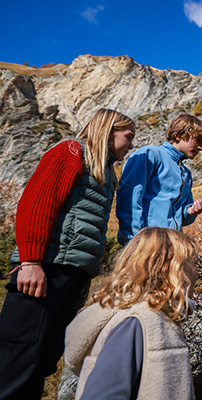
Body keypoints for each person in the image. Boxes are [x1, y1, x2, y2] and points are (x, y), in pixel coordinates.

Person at [0, 108, 135, 400]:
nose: (131, 145)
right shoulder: (71, 151)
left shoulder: (104, 170)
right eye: (128, 137)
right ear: (109, 131)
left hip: (72, 273)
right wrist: (31, 261)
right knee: (18, 355)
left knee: (45, 358)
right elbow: (36, 204)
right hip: (45, 268)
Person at [64, 227, 198, 400]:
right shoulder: (135, 321)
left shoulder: (157, 317)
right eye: (192, 263)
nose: (196, 274)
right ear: (170, 269)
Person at [116, 113, 202, 245]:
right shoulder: (151, 154)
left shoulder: (186, 174)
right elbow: (129, 197)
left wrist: (190, 212)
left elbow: (183, 219)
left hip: (173, 244)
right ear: (178, 135)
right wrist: (132, 241)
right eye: (197, 141)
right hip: (147, 243)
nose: (200, 147)